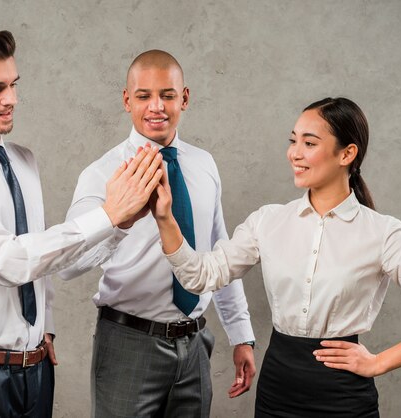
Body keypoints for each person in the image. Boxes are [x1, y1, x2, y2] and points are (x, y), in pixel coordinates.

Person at [0, 24, 163, 418]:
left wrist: (46, 325)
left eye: (14, 84)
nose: (12, 99)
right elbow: (9, 261)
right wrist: (107, 214)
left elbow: (39, 258)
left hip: (36, 371)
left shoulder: (22, 161)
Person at [151, 97, 401, 417]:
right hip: (277, 392)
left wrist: (378, 362)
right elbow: (200, 276)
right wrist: (164, 218)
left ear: (347, 153)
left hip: (345, 399)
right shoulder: (268, 221)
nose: (295, 153)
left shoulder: (383, 233)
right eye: (293, 141)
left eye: (309, 142)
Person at [58, 50, 256, 418]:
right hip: (128, 344)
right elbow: (68, 263)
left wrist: (241, 334)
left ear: (185, 98)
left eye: (167, 95)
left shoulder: (204, 165)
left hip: (195, 343)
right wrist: (118, 218)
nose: (156, 107)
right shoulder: (103, 173)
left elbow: (219, 253)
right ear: (126, 100)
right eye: (144, 96)